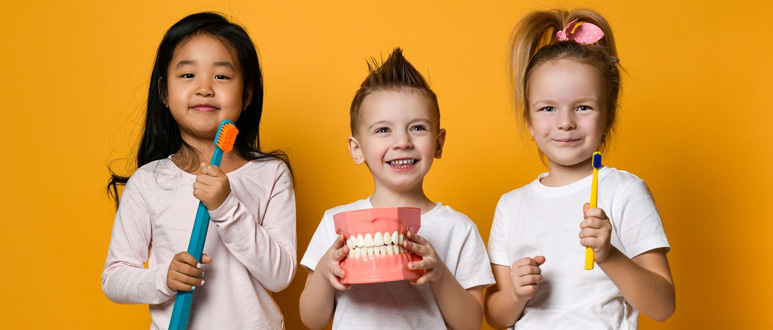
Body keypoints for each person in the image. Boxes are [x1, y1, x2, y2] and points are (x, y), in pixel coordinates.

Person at [101, 12, 296, 329]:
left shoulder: (271, 174)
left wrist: (226, 206)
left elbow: (280, 275)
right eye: (188, 75)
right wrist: (163, 277)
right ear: (164, 92)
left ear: (246, 94)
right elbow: (114, 278)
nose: (205, 88)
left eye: (221, 76)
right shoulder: (147, 183)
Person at [484, 8, 675, 329]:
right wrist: (516, 294)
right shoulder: (511, 206)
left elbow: (662, 306)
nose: (565, 122)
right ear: (529, 121)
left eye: (583, 107)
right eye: (547, 108)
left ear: (608, 116)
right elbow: (496, 317)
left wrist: (609, 255)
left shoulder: (625, 191)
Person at [298, 48, 494, 329]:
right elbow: (312, 320)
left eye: (417, 128)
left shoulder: (458, 229)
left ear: (438, 144)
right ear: (357, 150)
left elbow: (470, 324)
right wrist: (323, 273)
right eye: (383, 130)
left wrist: (439, 273)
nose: (402, 141)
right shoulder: (335, 224)